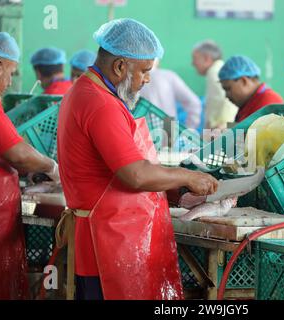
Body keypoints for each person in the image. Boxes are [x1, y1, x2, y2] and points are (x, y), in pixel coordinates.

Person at [57, 18, 218, 300]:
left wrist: (172, 188)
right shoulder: (100, 103)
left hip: (107, 236)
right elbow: (136, 174)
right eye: (144, 71)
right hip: (106, 244)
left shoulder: (88, 92)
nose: (147, 79)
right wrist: (188, 176)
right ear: (120, 66)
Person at [0, 32, 60, 300]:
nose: (10, 82)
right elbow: (16, 152)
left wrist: (31, 170)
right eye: (10, 73)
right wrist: (52, 167)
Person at [219, 55, 284, 123]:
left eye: (228, 89)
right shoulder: (248, 104)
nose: (226, 96)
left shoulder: (268, 102)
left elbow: (253, 133)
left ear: (244, 81)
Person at [140, 61, 202, 129]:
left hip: (142, 130)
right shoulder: (168, 76)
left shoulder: (133, 80)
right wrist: (189, 129)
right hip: (169, 127)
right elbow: (194, 102)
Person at [192, 40, 238, 129]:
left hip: (222, 128)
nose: (193, 63)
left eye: (195, 59)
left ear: (206, 58)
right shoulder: (219, 70)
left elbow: (230, 100)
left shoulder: (215, 73)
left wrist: (222, 126)